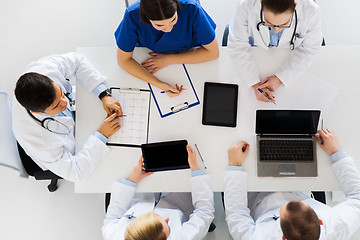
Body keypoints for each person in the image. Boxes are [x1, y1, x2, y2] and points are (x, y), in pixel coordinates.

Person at [224, 129, 360, 239]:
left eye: (284, 208)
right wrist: (336, 153)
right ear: (320, 221)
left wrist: (235, 165)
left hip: (256, 196)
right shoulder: (336, 226)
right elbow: (357, 197)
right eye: (300, 204)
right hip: (299, 189)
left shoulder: (259, 237)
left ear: (283, 237)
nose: (285, 199)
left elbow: (236, 215)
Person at [13, 53, 122, 182]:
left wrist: (103, 94)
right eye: (56, 106)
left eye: (61, 93)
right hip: (53, 155)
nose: (65, 102)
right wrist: (102, 135)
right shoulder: (41, 141)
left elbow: (77, 61)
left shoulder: (44, 69)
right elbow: (76, 173)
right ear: (37, 112)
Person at [102, 145, 214, 240]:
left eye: (157, 217)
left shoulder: (114, 234)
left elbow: (113, 215)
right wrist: (196, 170)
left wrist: (132, 180)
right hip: (179, 192)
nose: (167, 218)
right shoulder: (183, 237)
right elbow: (204, 212)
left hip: (142, 189)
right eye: (168, 227)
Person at [115, 0, 219, 96]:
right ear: (145, 17)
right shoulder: (132, 15)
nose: (168, 29)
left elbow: (213, 53)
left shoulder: (191, 8)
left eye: (173, 20)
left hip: (191, 53)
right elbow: (123, 60)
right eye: (159, 25)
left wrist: (169, 59)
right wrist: (159, 84)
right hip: (147, 54)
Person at [228, 0, 322, 102]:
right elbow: (237, 45)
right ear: (261, 2)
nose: (276, 30)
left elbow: (310, 49)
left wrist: (281, 78)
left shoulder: (310, 10)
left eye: (284, 24)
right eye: (268, 23)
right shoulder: (245, 5)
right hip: (256, 55)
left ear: (295, 6)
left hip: (289, 58)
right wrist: (254, 83)